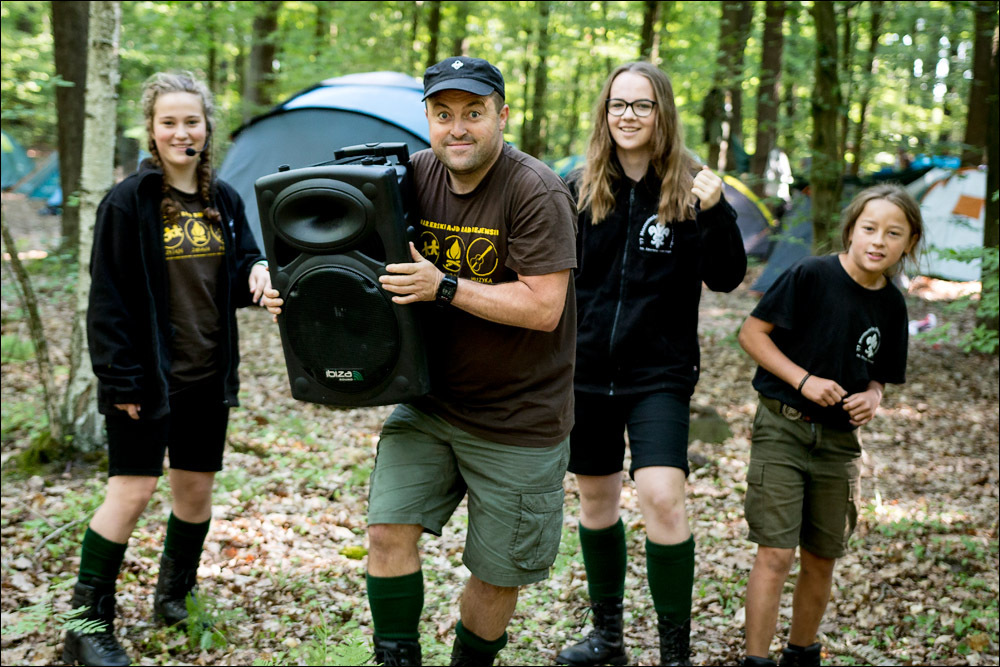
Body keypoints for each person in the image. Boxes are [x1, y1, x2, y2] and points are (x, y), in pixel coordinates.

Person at [262, 56, 578, 667]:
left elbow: (544, 308)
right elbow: (347, 264)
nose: (457, 128)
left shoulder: (535, 191)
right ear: (428, 119)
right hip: (429, 402)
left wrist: (446, 287)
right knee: (386, 532)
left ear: (502, 116)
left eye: (473, 113)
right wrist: (288, 290)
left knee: (496, 575)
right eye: (443, 114)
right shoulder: (408, 176)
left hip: (519, 419)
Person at [63, 71, 270, 667]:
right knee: (131, 492)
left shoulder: (223, 199)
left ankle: (174, 598)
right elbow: (108, 299)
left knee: (195, 492)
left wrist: (258, 271)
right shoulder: (127, 202)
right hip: (145, 379)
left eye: (192, 121)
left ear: (207, 128)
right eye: (169, 122)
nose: (182, 132)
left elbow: (240, 270)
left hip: (206, 376)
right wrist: (119, 380)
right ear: (152, 131)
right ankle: (85, 625)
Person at [556, 62, 747, 667]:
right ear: (604, 113)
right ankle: (608, 637)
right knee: (596, 502)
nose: (628, 116)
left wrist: (716, 211)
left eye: (642, 105)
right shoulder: (577, 185)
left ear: (662, 112)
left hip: (658, 375)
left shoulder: (693, 188)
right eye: (618, 104)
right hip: (585, 374)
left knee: (663, 496)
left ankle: (674, 654)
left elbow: (728, 277)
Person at [736, 184, 922, 667]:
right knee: (776, 554)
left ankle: (802, 655)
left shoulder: (893, 304)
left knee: (821, 557)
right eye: (869, 228)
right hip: (783, 429)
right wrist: (804, 380)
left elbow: (880, 374)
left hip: (839, 445)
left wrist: (873, 396)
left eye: (893, 233)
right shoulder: (811, 275)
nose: (878, 241)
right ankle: (756, 660)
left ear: (910, 243)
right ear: (851, 230)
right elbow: (751, 334)